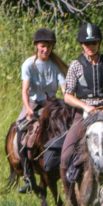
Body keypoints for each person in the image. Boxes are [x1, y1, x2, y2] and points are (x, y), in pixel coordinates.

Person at [59, 22, 103, 191]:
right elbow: (67, 95)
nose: (91, 47)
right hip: (84, 113)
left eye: (94, 43)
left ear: (99, 43)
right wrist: (85, 107)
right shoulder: (75, 65)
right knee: (65, 156)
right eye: (87, 44)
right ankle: (69, 199)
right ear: (82, 45)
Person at [16, 28, 68, 193]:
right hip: (32, 102)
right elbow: (25, 90)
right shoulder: (28, 64)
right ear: (36, 46)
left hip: (51, 104)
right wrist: (28, 109)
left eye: (49, 47)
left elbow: (65, 88)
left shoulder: (55, 66)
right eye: (43, 46)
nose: (46, 50)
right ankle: (28, 176)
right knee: (20, 131)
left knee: (66, 127)